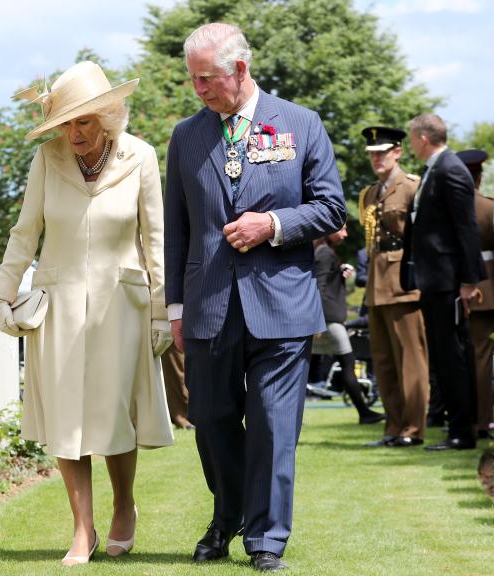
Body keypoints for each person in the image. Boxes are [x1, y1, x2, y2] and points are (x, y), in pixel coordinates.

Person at [163, 23, 345, 572]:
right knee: (214, 421)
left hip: (282, 305)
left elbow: (331, 208)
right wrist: (175, 307)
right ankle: (228, 516)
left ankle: (266, 540)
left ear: (240, 70)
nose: (199, 90)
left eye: (207, 79)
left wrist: (272, 223)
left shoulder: (301, 124)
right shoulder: (186, 135)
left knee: (272, 425)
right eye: (193, 80)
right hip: (209, 304)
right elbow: (177, 229)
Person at [0, 60, 174, 566]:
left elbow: (154, 239)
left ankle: (124, 506)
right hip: (60, 304)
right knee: (68, 417)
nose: (73, 132)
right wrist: (1, 294)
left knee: (113, 413)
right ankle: (81, 528)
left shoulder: (140, 156)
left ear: (109, 117)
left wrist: (162, 312)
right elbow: (25, 232)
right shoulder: (47, 160)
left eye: (84, 121)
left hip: (123, 304)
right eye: (66, 122)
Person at [403, 113, 485, 451]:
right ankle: (458, 426)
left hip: (448, 281)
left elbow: (466, 229)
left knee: (452, 357)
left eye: (411, 137)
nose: (410, 144)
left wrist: (468, 281)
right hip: (435, 279)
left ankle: (462, 431)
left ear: (423, 138)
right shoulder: (435, 168)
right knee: (443, 356)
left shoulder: (450, 169)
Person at [357, 126, 430, 447]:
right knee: (383, 361)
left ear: (397, 152)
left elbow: (425, 238)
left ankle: (413, 430)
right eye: (372, 153)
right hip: (376, 284)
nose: (376, 158)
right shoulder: (370, 193)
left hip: (404, 282)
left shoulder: (413, 187)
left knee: (410, 361)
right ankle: (393, 426)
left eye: (382, 152)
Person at [313, 225, 386, 423]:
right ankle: (364, 412)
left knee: (345, 363)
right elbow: (318, 287)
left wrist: (339, 273)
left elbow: (325, 283)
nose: (345, 234)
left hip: (329, 318)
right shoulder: (324, 253)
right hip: (329, 320)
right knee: (347, 362)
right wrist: (316, 320)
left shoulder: (324, 252)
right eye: (342, 229)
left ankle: (364, 412)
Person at [459, 149, 494, 438]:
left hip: (459, 291)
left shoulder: (451, 209)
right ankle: (484, 421)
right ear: (480, 176)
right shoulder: (488, 207)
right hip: (487, 289)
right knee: (481, 360)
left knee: (472, 359)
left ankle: (476, 420)